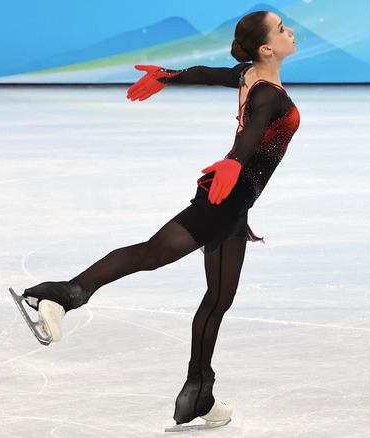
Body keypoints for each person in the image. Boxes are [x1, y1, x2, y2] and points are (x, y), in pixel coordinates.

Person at [19, 10, 300, 427]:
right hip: (227, 196)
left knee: (213, 294)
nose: (290, 31)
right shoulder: (267, 94)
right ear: (266, 47)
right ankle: (63, 296)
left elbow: (208, 74)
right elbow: (254, 130)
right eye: (281, 29)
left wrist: (169, 75)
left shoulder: (249, 76)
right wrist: (235, 162)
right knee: (162, 260)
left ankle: (199, 394)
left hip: (234, 203)